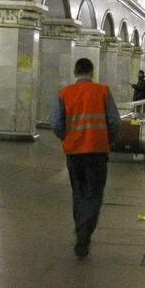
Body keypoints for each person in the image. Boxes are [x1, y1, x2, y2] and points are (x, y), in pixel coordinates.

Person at [51, 57, 121, 257]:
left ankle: (80, 224)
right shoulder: (103, 91)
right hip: (97, 151)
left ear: (75, 73)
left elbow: (56, 123)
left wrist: (67, 137)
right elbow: (115, 122)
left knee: (78, 191)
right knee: (94, 193)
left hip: (73, 151)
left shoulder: (64, 93)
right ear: (91, 72)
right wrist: (108, 140)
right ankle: (85, 230)